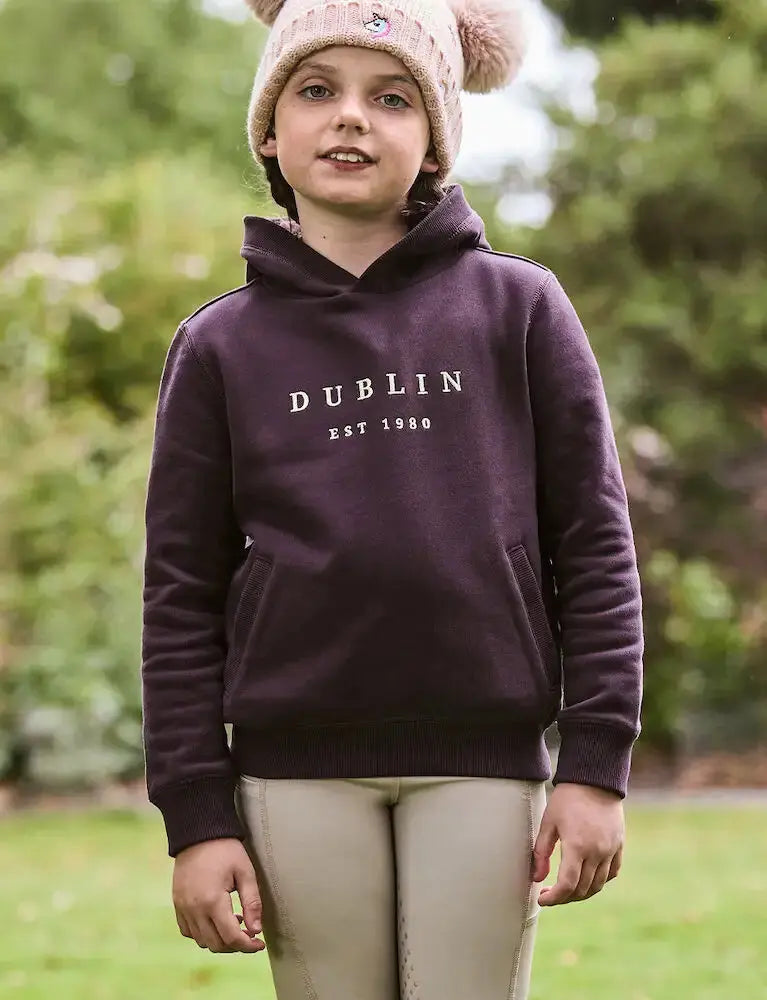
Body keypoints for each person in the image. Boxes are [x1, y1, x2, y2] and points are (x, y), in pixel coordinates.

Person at [140, 0, 644, 996]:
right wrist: (196, 815)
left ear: (435, 141)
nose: (350, 117)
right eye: (315, 89)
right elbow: (179, 595)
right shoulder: (218, 347)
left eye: (392, 98)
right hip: (292, 771)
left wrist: (594, 766)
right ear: (270, 131)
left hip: (484, 763)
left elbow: (594, 548)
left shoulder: (519, 308)